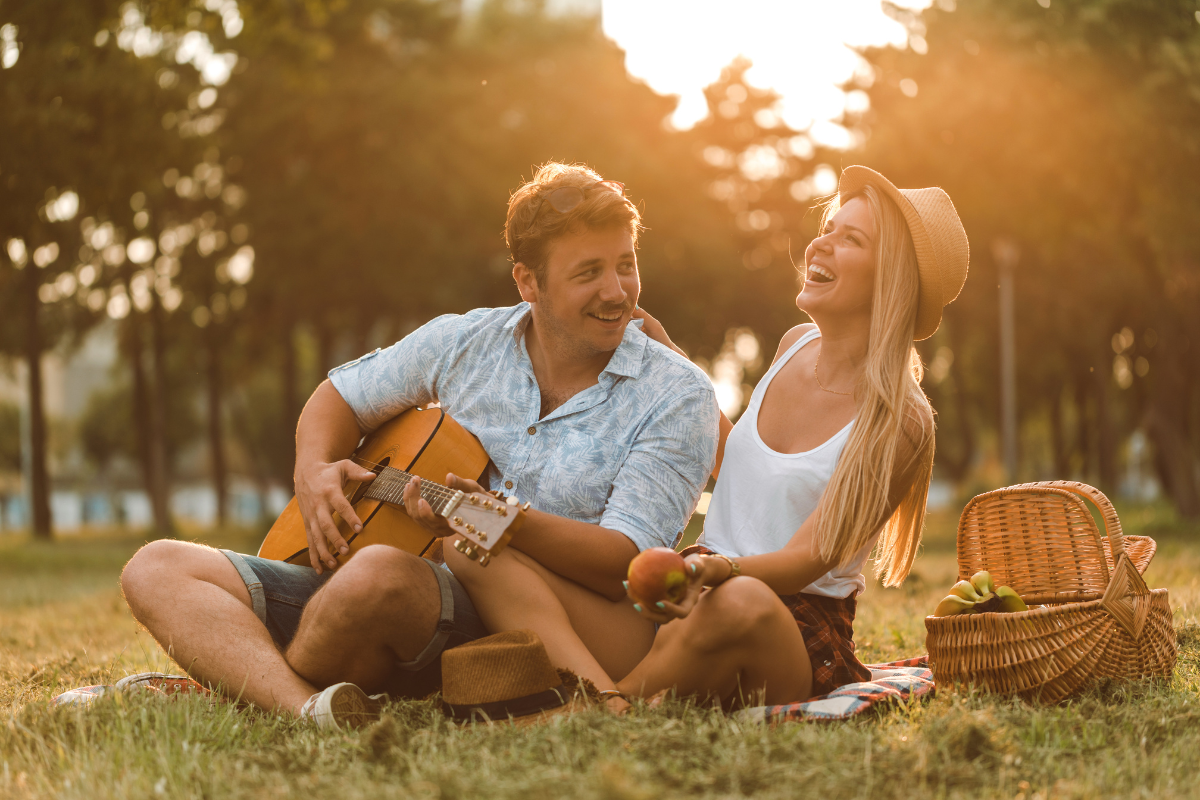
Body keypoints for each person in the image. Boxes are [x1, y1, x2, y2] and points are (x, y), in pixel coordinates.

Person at [119, 162, 719, 726]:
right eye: (589, 273)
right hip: (396, 587)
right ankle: (308, 710)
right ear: (527, 282)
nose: (617, 292)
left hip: (534, 616)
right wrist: (314, 469)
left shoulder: (677, 394)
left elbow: (630, 560)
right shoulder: (464, 342)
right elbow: (340, 397)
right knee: (156, 566)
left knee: (376, 574)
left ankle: (244, 673)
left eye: (626, 264)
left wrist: (497, 522)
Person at [448, 165, 968, 709]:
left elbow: (811, 557)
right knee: (474, 544)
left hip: (786, 627)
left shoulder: (902, 418)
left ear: (893, 278)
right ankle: (604, 700)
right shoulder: (794, 346)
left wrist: (721, 570)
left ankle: (596, 709)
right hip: (694, 596)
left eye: (851, 238)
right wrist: (674, 361)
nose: (822, 242)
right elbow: (736, 463)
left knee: (740, 600)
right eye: (830, 227)